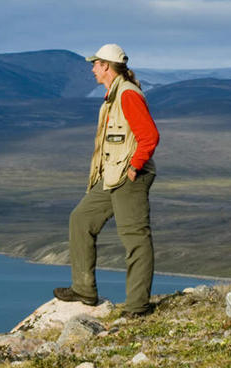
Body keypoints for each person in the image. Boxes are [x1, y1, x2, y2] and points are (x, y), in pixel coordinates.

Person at [53, 43, 160, 318]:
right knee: (80, 219)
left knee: (135, 238)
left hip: (128, 176)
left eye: (96, 64)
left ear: (107, 67)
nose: (92, 69)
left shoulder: (127, 95)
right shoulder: (113, 95)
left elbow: (149, 136)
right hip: (111, 175)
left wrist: (135, 167)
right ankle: (84, 289)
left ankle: (137, 307)